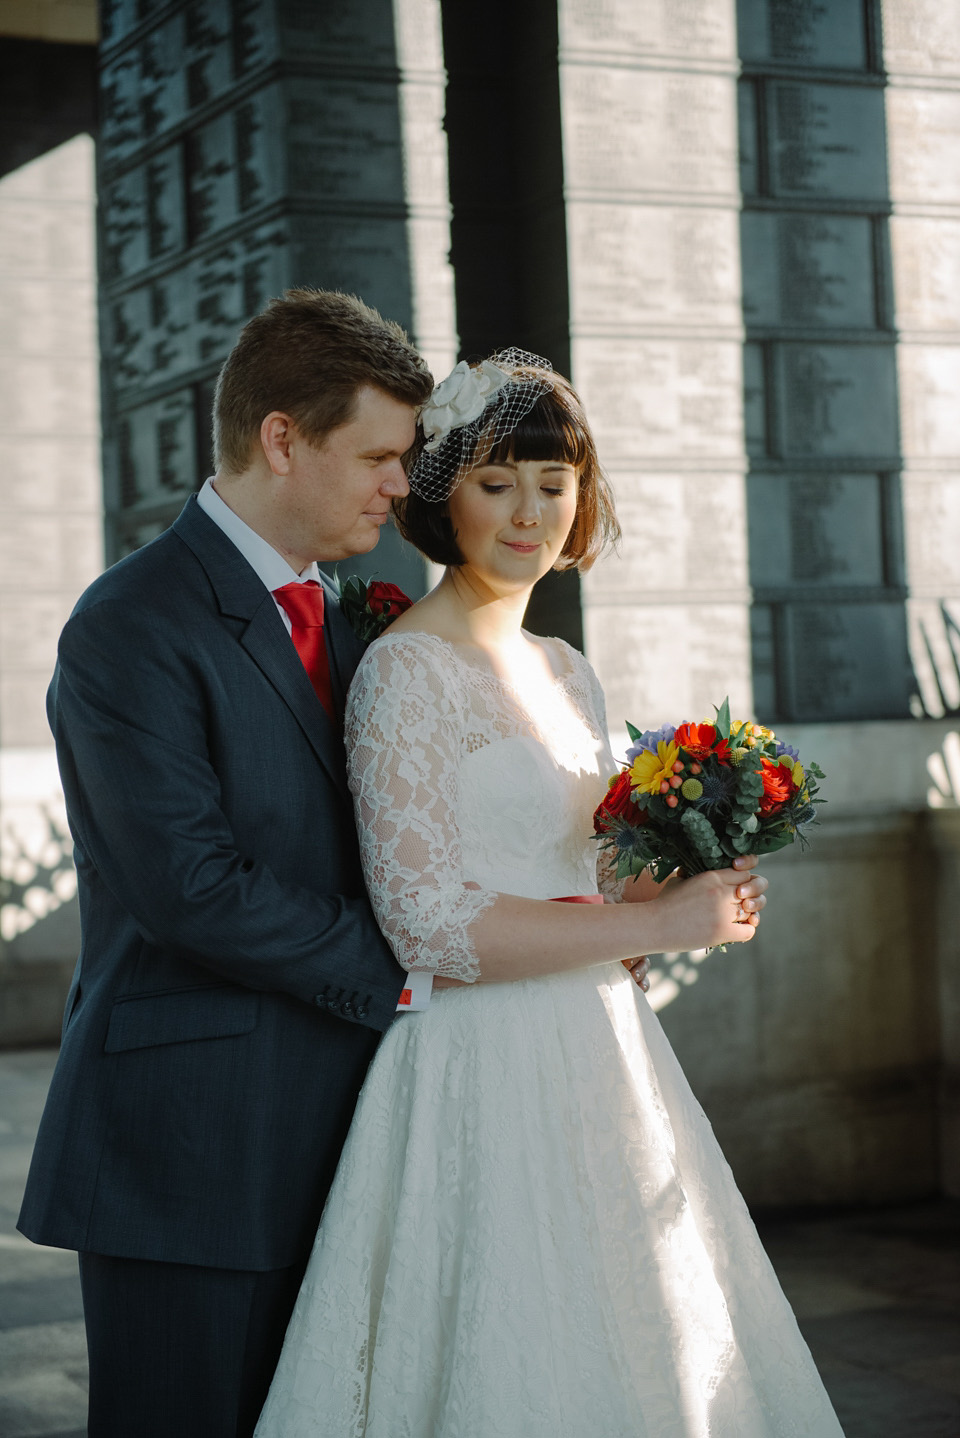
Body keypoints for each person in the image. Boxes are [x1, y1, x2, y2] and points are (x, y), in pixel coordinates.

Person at [254, 351, 842, 1436]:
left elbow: (588, 872)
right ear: (443, 497)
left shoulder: (568, 667)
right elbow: (425, 919)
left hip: (607, 1055)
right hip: (479, 1059)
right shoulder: (402, 671)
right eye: (496, 482)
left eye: (555, 482)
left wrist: (684, 870)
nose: (530, 512)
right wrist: (657, 923)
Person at [16, 290, 439, 1438]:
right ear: (283, 437)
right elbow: (188, 888)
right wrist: (430, 968)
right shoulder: (130, 622)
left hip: (351, 1137)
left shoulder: (361, 619)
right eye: (381, 455)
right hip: (189, 1152)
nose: (402, 486)